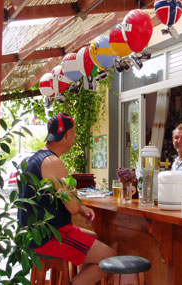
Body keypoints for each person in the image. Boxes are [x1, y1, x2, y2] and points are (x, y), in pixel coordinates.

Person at [18, 113, 116, 284]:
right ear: (68, 135)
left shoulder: (35, 158)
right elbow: (72, 207)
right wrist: (78, 203)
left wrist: (82, 208)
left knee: (93, 237)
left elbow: (62, 200)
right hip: (48, 236)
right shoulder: (52, 162)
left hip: (33, 233)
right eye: (74, 133)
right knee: (110, 259)